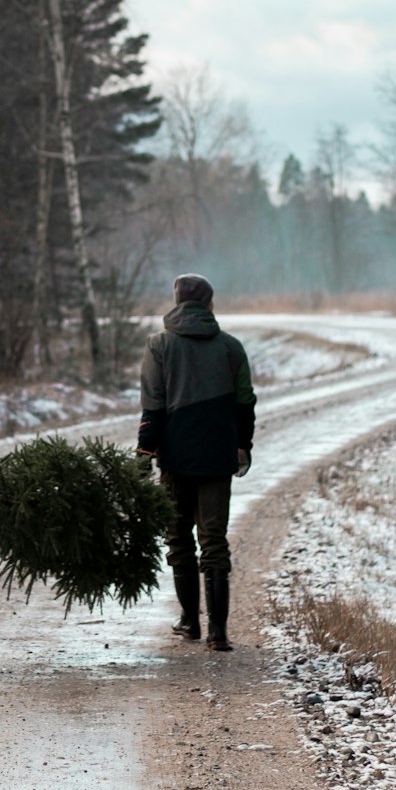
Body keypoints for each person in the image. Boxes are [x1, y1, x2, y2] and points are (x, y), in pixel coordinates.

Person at [136, 273, 256, 650]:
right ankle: (218, 633)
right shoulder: (231, 348)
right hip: (218, 457)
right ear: (209, 303)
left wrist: (144, 452)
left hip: (175, 457)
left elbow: (152, 405)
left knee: (178, 538)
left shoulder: (159, 346)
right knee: (214, 541)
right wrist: (243, 446)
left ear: (176, 301)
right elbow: (245, 403)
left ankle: (190, 622)